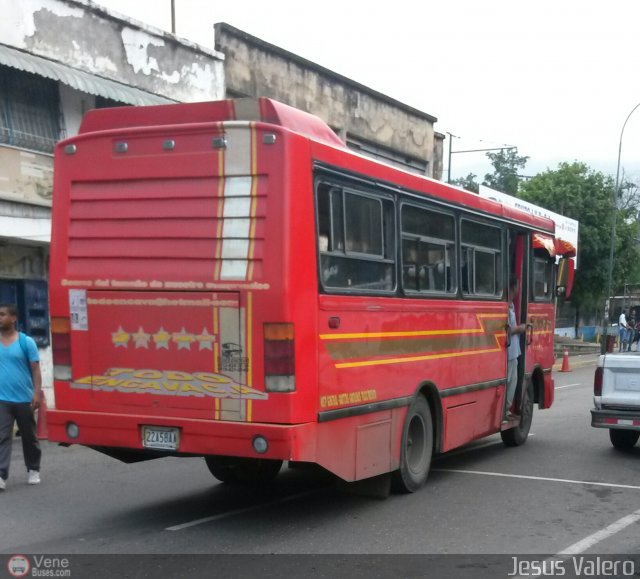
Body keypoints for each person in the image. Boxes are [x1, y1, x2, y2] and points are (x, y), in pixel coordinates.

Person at [0, 303, 42, 490]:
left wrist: (36, 393)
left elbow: (35, 369)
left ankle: (33, 469)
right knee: (2, 437)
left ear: (13, 318)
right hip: (3, 400)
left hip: (24, 399)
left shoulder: (26, 342)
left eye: (2, 314)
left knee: (29, 436)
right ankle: (1, 475)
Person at [506, 277, 526, 418]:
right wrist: (520, 329)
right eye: (517, 286)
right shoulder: (505, 306)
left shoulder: (511, 305)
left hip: (514, 351)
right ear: (513, 287)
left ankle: (506, 409)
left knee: (513, 380)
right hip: (509, 351)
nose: (519, 290)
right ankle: (505, 410)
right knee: (510, 381)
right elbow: (507, 330)